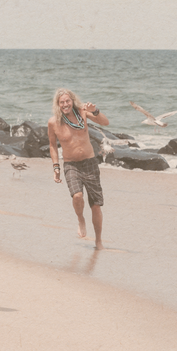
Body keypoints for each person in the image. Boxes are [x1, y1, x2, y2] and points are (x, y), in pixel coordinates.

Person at [48, 88, 109, 250]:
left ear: (72, 101)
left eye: (67, 101)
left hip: (90, 162)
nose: (65, 104)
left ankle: (98, 241)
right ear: (58, 105)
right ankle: (81, 219)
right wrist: (56, 167)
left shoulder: (82, 112)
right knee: (77, 196)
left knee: (95, 205)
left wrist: (94, 111)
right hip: (71, 164)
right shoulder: (53, 122)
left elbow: (105, 122)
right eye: (62, 102)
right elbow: (52, 145)